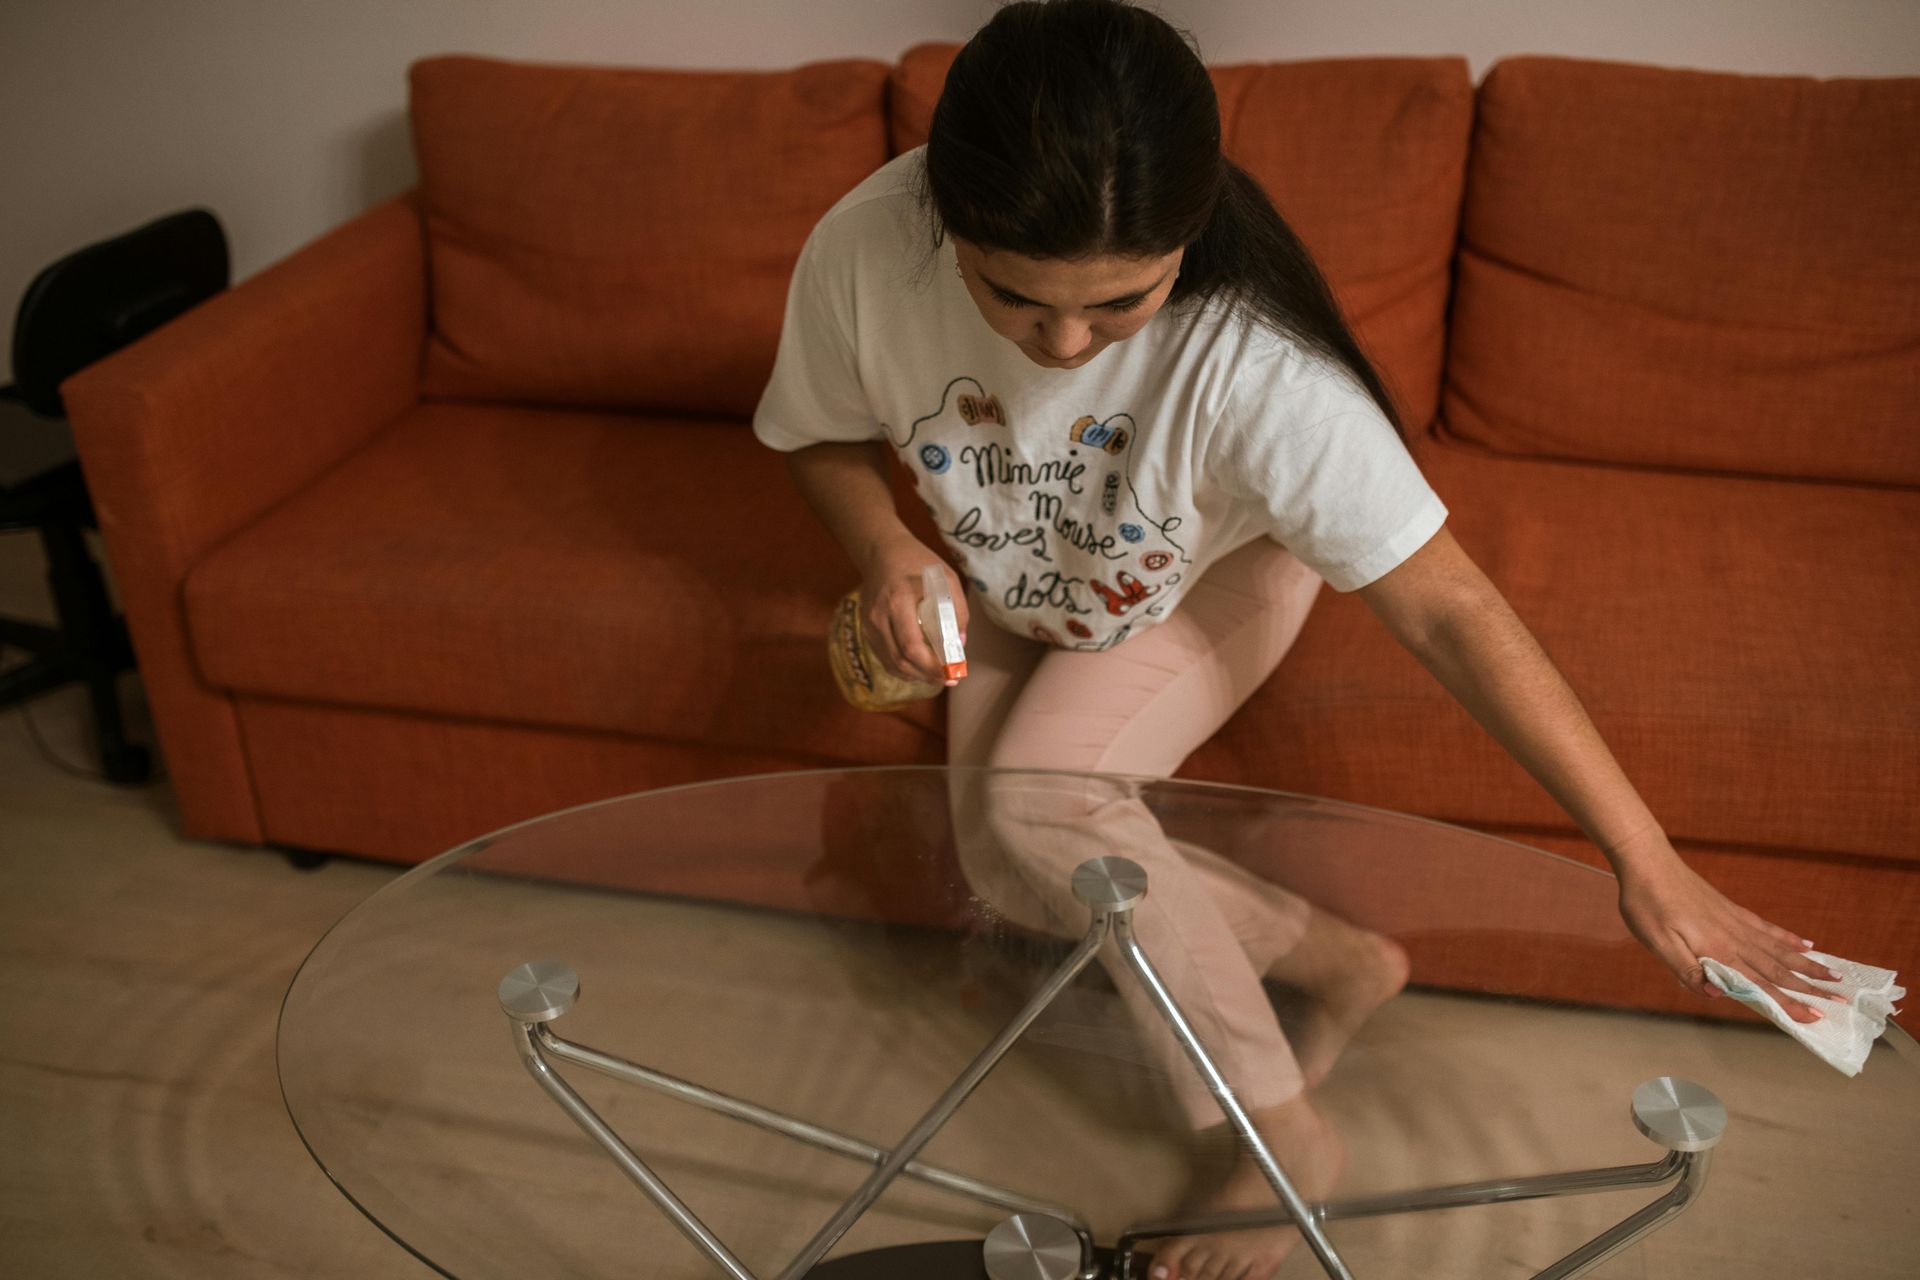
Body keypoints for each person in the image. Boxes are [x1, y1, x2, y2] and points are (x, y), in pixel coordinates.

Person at [753, 2, 1836, 1275]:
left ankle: (1284, 1136)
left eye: (1118, 303)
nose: (1061, 342)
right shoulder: (864, 247)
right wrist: (889, 547)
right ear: (942, 215)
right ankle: (1341, 959)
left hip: (1210, 578)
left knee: (1041, 811)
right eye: (1013, 295)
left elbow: (1451, 607)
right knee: (1000, 863)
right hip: (1007, 583)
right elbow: (818, 432)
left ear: (1190, 233)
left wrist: (1642, 853)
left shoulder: (1262, 369)